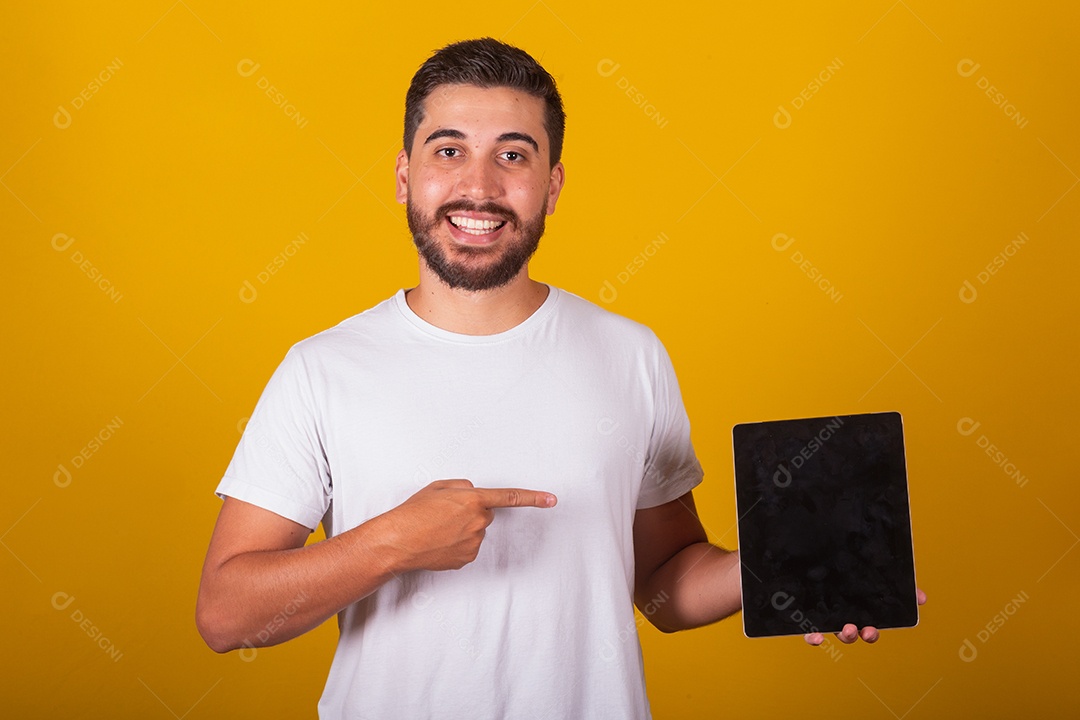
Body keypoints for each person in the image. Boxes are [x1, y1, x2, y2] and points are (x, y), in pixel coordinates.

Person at [196, 37, 925, 719]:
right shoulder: (321, 369)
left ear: (552, 185)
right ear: (404, 175)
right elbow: (226, 615)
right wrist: (392, 542)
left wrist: (779, 569)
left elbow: (663, 582)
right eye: (449, 150)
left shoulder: (630, 354)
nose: (478, 186)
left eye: (513, 155)